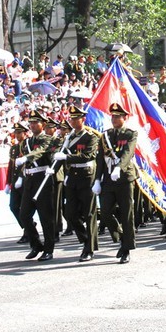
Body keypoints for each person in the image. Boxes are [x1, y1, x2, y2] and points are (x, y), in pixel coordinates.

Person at [53, 105, 100, 261]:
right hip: (72, 176)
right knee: (70, 214)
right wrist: (54, 169)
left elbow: (88, 156)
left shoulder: (90, 136)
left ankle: (89, 249)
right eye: (71, 118)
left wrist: (66, 158)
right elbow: (62, 154)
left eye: (75, 118)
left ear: (83, 119)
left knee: (89, 213)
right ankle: (87, 239)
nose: (72, 121)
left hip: (87, 176)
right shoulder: (69, 137)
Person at [97, 102, 138, 264]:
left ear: (124, 118)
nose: (114, 119)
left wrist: (119, 168)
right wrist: (97, 180)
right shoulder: (105, 136)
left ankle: (127, 249)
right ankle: (121, 237)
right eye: (112, 116)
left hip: (125, 178)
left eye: (117, 116)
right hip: (108, 180)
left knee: (127, 214)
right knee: (105, 212)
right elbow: (100, 159)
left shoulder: (130, 134)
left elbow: (128, 153)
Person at [15, 110, 58, 262]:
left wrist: (26, 157)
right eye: (31, 123)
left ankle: (49, 249)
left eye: (36, 122)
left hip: (43, 179)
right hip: (29, 180)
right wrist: (21, 176)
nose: (33, 125)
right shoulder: (26, 142)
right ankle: (36, 244)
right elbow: (24, 162)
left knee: (46, 217)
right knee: (24, 215)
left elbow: (40, 152)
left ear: (43, 124)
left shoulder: (48, 139)